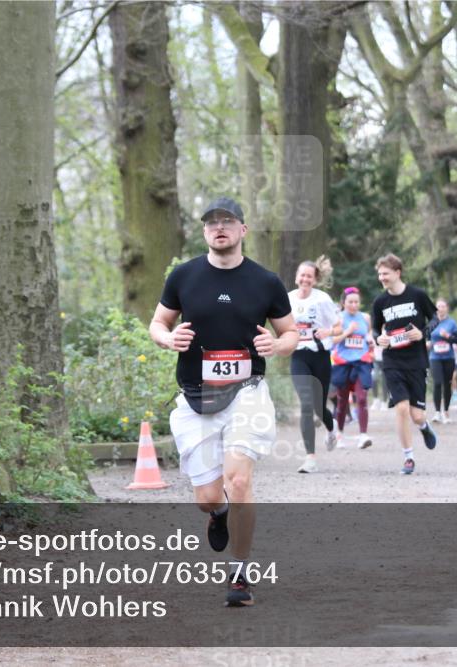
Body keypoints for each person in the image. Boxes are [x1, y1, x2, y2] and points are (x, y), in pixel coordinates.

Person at [149, 196, 298, 607]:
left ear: (242, 231)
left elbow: (291, 334)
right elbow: (158, 322)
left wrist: (276, 344)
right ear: (204, 232)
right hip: (195, 397)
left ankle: (240, 573)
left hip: (246, 392)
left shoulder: (266, 282)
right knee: (210, 497)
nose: (220, 228)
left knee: (240, 480)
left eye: (228, 222)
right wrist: (166, 338)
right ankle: (217, 515)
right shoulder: (184, 276)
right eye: (212, 222)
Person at [371, 254, 438, 475]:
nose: (382, 278)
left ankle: (424, 427)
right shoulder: (380, 302)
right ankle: (408, 457)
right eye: (380, 274)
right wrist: (378, 339)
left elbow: (435, 318)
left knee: (416, 415)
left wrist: (424, 333)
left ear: (397, 273)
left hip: (416, 361)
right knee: (401, 408)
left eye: (385, 273)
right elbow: (375, 329)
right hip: (392, 361)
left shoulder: (417, 295)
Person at [288, 258, 341, 473]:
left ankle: (332, 426)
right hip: (299, 356)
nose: (305, 279)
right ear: (296, 277)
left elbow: (338, 326)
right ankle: (310, 458)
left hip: (320, 355)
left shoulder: (323, 300)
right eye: (302, 275)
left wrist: (328, 332)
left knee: (319, 407)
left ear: (315, 279)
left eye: (309, 276)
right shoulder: (288, 299)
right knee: (307, 405)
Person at [330, 286, 374, 449]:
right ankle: (339, 434)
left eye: (356, 302)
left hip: (362, 362)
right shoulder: (338, 318)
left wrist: (370, 340)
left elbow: (367, 334)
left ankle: (363, 435)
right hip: (343, 363)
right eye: (350, 302)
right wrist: (347, 331)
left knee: (362, 399)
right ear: (344, 303)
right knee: (342, 402)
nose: (354, 305)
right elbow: (333, 341)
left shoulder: (366, 317)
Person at [426, 299, 457, 424]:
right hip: (435, 357)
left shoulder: (451, 323)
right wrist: (427, 344)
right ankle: (437, 412)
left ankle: (446, 411)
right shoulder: (431, 323)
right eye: (438, 306)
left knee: (447, 384)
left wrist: (448, 336)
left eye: (443, 306)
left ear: (446, 308)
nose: (440, 308)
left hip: (449, 358)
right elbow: (427, 339)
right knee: (437, 382)